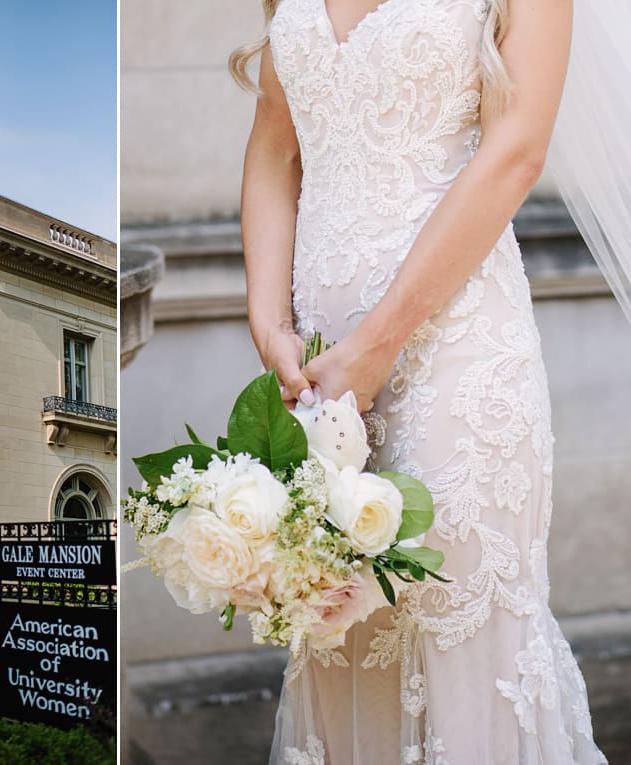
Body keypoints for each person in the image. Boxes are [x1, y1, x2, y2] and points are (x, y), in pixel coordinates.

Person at [231, 1, 604, 763]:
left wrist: (376, 346)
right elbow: (275, 140)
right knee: (339, 641)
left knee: (463, 648)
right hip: (318, 374)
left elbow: (517, 150)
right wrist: (268, 318)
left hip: (458, 360)